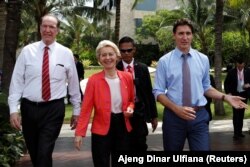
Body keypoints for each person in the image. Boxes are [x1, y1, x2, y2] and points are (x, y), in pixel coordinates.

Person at [153, 18, 248, 151]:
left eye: (188, 33)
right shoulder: (164, 61)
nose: (184, 37)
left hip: (199, 117)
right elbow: (158, 92)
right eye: (180, 33)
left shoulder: (203, 59)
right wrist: (176, 109)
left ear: (192, 35)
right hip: (174, 118)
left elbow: (206, 87)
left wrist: (225, 97)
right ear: (174, 35)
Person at [8, 14, 81, 167]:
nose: (48, 30)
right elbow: (17, 81)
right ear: (40, 28)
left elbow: (74, 84)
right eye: (45, 26)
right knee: (35, 152)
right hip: (29, 109)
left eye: (52, 27)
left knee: (44, 151)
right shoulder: (27, 52)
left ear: (58, 30)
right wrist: (14, 110)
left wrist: (76, 110)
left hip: (53, 109)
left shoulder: (66, 53)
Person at [74, 40, 135, 167]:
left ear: (117, 56)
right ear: (99, 59)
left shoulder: (127, 77)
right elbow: (86, 108)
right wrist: (79, 133)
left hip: (123, 127)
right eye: (104, 55)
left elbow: (131, 100)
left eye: (110, 54)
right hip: (101, 130)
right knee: (101, 162)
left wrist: (130, 108)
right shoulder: (93, 80)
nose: (108, 58)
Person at [116, 36, 158, 151]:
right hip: (121, 112)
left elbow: (149, 93)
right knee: (122, 146)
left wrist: (153, 116)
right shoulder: (115, 68)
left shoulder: (142, 68)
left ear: (134, 49)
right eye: (123, 51)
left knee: (140, 144)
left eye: (129, 50)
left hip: (139, 111)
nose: (126, 53)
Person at [224, 57, 250, 140]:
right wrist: (229, 93)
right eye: (238, 66)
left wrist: (249, 85)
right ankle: (236, 133)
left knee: (241, 114)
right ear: (236, 64)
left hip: (244, 95)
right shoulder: (231, 72)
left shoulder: (248, 71)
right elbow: (226, 83)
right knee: (236, 115)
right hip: (235, 95)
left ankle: (240, 132)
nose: (240, 68)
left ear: (244, 64)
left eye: (241, 66)